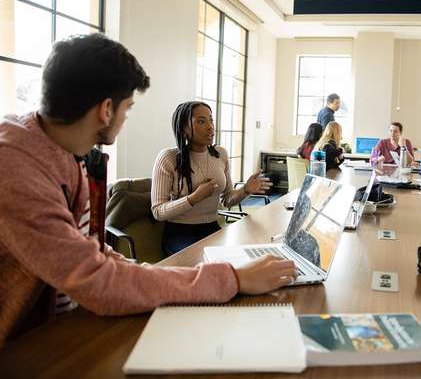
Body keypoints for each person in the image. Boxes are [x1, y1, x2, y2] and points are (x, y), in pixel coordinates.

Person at [0, 34, 296, 346]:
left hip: (58, 328)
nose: (126, 118)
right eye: (127, 108)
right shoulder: (16, 166)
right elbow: (96, 279)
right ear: (106, 110)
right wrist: (233, 279)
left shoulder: (66, 153)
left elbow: (93, 255)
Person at [152, 101, 273, 256]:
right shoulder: (168, 158)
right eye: (201, 122)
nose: (210, 127)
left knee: (239, 257)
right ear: (184, 129)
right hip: (179, 232)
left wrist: (245, 190)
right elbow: (158, 211)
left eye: (211, 120)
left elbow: (227, 200)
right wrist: (194, 198)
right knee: (204, 264)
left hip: (211, 227)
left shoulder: (220, 154)